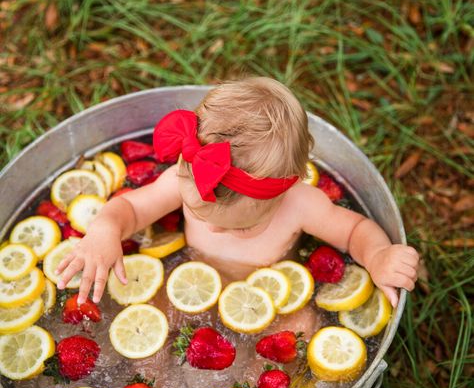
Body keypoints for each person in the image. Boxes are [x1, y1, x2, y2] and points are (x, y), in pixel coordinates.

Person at [56, 76, 420, 307]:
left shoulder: (300, 204)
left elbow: (355, 230)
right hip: (190, 281)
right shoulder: (184, 179)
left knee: (300, 329)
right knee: (154, 323)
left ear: (287, 186)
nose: (213, 230)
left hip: (270, 296)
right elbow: (132, 210)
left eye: (241, 227)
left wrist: (377, 256)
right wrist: (105, 230)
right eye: (198, 215)